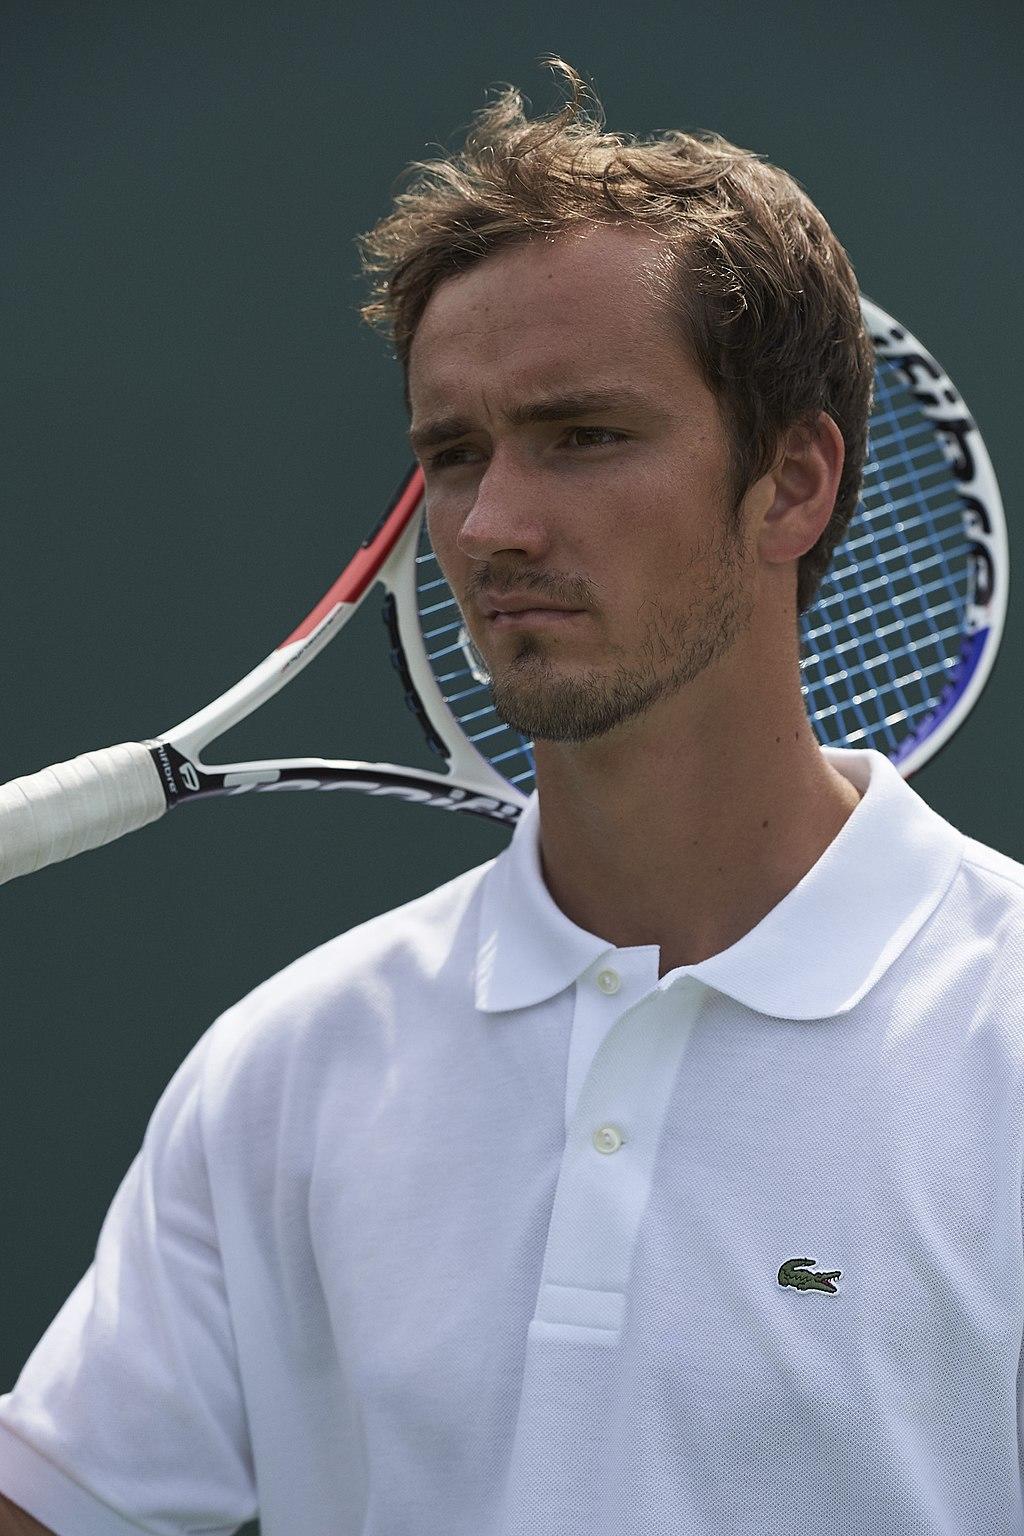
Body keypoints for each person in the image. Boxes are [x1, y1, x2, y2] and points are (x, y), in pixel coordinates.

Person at [1, 59, 1022, 1536]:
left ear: (793, 485)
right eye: (453, 454)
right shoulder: (287, 1068)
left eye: (583, 435)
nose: (491, 525)